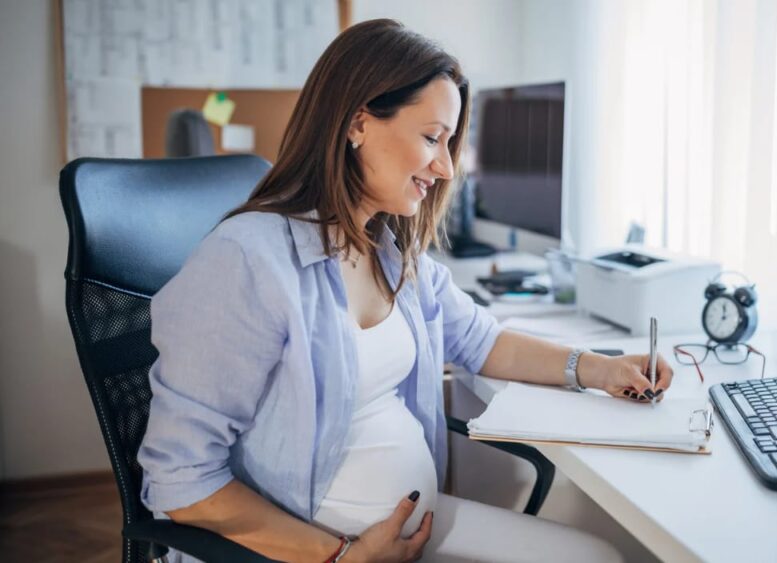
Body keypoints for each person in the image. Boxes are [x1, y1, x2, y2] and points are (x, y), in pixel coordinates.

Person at [138, 18, 674, 563]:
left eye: (449, 144)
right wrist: (341, 555)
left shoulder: (391, 252)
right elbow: (181, 479)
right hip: (311, 550)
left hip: (403, 535)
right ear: (357, 123)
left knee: (597, 557)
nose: (444, 167)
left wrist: (601, 369)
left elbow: (482, 341)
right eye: (431, 138)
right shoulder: (247, 260)